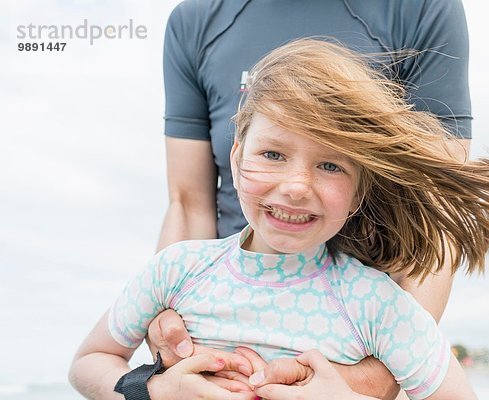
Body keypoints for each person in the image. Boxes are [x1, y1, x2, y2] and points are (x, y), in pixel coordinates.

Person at [69, 39, 489, 400]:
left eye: (330, 165)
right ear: (236, 158)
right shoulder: (175, 270)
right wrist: (152, 391)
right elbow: (89, 363)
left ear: (361, 188)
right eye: (273, 153)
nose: (298, 185)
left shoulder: (375, 303)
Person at [152, 2, 472, 395]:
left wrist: (372, 377)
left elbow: (435, 208)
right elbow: (188, 203)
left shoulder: (419, 8)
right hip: (220, 348)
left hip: (354, 337)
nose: (297, 186)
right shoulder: (195, 21)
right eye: (273, 154)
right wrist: (169, 338)